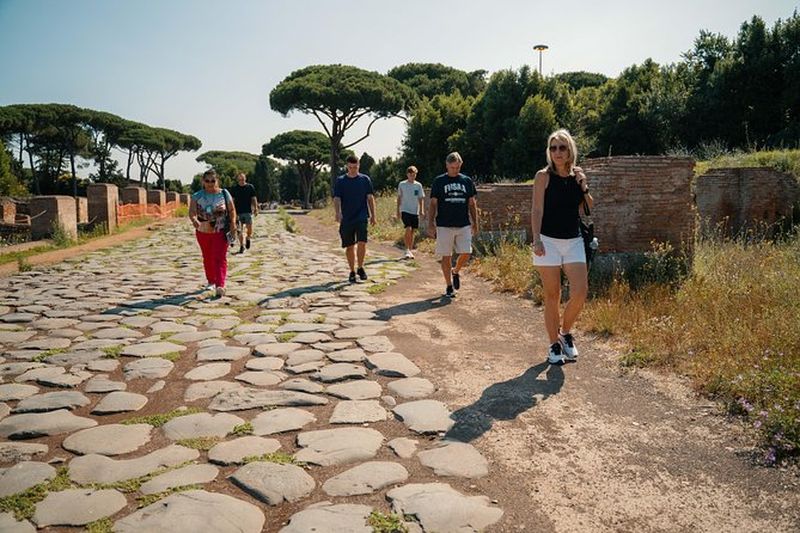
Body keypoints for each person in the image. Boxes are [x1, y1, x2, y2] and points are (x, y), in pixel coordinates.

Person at [531, 129, 593, 365]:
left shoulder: (577, 176)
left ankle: (565, 333)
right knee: (552, 295)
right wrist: (536, 238)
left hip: (573, 239)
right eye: (553, 148)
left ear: (570, 151)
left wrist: (583, 184)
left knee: (580, 291)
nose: (557, 152)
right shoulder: (542, 176)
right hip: (547, 240)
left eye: (562, 147)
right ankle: (553, 345)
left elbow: (589, 206)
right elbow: (537, 209)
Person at [428, 152, 478, 298]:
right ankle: (449, 286)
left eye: (457, 167)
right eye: (452, 167)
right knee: (446, 256)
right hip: (444, 224)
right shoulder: (439, 181)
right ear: (447, 166)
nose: (455, 170)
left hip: (463, 223)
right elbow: (433, 204)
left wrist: (476, 222)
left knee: (466, 252)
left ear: (460, 165)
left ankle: (455, 271)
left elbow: (472, 203)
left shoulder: (466, 181)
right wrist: (430, 224)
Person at [189, 169, 237, 297]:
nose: (210, 183)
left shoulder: (224, 194)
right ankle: (211, 280)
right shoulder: (197, 196)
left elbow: (232, 210)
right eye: (207, 181)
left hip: (221, 230)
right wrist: (194, 219)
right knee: (208, 256)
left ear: (217, 181)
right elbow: (192, 211)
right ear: (203, 182)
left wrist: (232, 223)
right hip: (203, 231)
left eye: (213, 180)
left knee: (220, 257)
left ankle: (220, 285)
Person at [334, 154, 377, 283]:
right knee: (350, 246)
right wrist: (337, 213)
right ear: (347, 166)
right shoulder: (341, 181)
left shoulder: (365, 180)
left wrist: (374, 215)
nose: (353, 169)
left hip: (362, 216)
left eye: (355, 167)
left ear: (359, 165)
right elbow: (337, 198)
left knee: (362, 242)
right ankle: (352, 270)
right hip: (347, 217)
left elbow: (370, 198)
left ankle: (361, 267)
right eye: (351, 167)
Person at [396, 165, 425, 259]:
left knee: (412, 231)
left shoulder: (418, 185)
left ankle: (410, 250)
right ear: (407, 174)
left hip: (414, 211)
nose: (412, 176)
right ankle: (406, 249)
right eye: (411, 174)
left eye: (414, 174)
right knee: (408, 228)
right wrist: (398, 210)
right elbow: (399, 198)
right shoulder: (402, 184)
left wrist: (421, 210)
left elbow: (421, 198)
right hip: (405, 210)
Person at [229, 172, 258, 254]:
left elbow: (253, 198)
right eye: (240, 179)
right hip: (237, 212)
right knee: (239, 230)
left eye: (243, 179)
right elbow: (232, 201)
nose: (241, 181)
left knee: (249, 229)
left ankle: (248, 238)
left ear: (245, 179)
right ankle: (242, 246)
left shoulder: (250, 187)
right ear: (238, 180)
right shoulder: (234, 188)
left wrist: (255, 208)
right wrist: (231, 211)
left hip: (248, 211)